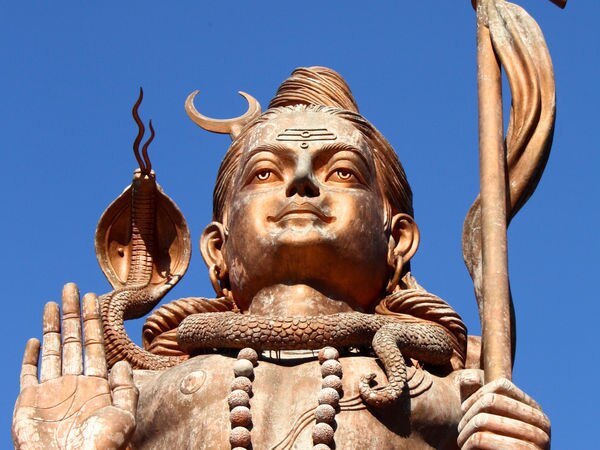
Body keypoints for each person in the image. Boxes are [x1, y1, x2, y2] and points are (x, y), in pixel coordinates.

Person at [13, 67, 550, 449]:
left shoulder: (444, 395)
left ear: (398, 239)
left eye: (341, 172)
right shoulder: (140, 392)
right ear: (216, 248)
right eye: (265, 172)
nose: (301, 182)